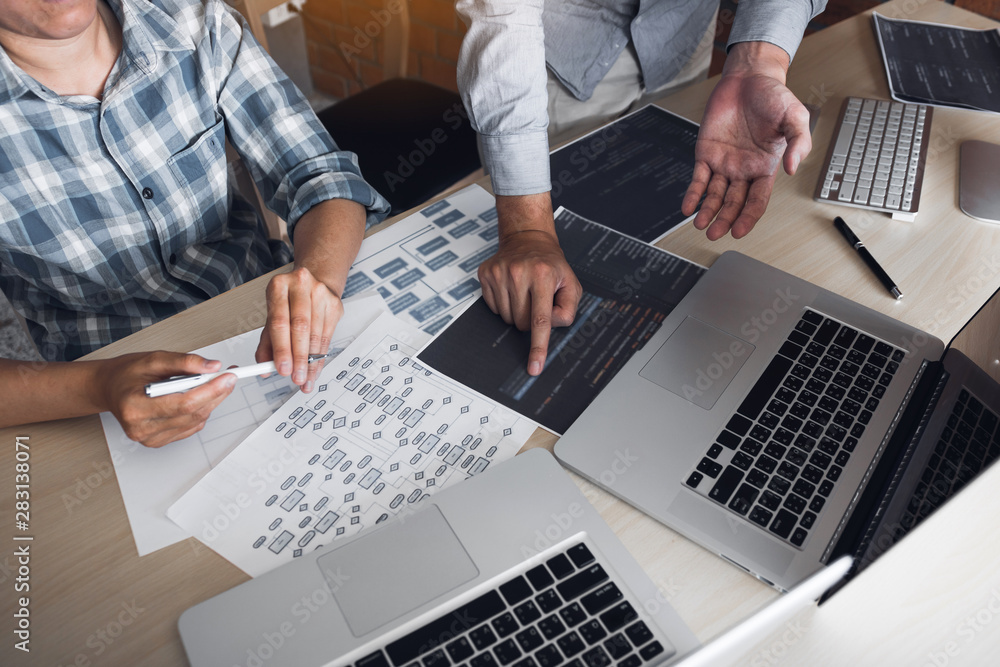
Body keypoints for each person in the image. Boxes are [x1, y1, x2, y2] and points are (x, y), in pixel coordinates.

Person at [0, 0, 389, 446]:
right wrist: (99, 386)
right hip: (104, 386)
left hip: (259, 309)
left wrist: (317, 278)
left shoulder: (193, 19)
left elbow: (321, 176)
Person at [456, 0, 827, 376]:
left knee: (657, 238)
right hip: (552, 58)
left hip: (681, 39)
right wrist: (526, 231)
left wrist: (758, 62)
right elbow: (504, 15)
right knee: (552, 260)